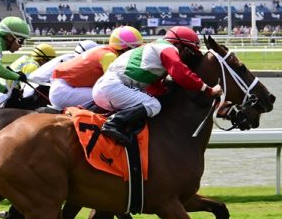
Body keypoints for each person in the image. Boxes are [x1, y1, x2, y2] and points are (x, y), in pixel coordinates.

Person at [92, 26, 221, 146]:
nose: (188, 56)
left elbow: (154, 87)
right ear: (178, 44)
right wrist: (208, 89)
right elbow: (181, 73)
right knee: (153, 105)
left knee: (153, 104)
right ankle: (113, 124)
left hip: (107, 89)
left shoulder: (154, 51)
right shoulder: (167, 48)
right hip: (112, 88)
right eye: (189, 51)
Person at [49, 27, 142, 110]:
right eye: (136, 48)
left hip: (64, 87)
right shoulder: (109, 56)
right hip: (64, 91)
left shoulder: (106, 50)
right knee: (113, 97)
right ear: (126, 48)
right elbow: (115, 85)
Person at [0, 41, 58, 106]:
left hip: (3, 90)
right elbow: (26, 91)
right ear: (42, 60)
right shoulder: (33, 66)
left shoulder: (26, 59)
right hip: (4, 96)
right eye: (49, 61)